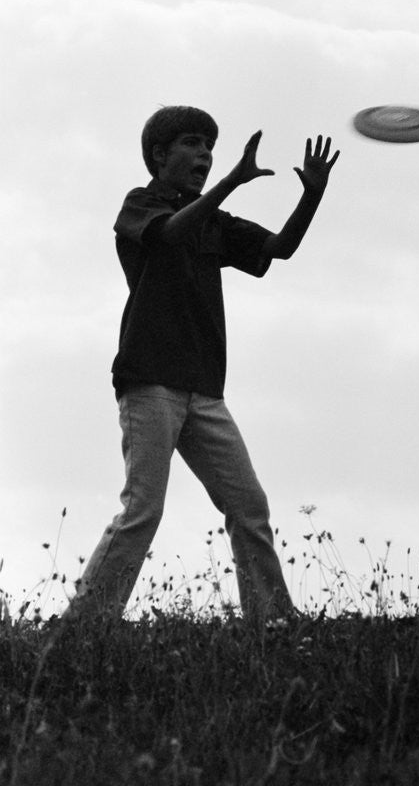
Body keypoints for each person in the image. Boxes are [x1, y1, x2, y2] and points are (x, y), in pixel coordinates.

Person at [70, 105, 339, 623]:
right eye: (192, 144)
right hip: (150, 381)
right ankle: (84, 627)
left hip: (204, 389)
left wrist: (312, 195)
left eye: (209, 146)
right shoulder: (140, 204)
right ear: (159, 156)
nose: (205, 155)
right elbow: (168, 234)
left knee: (248, 507)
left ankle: (274, 623)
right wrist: (233, 182)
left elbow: (278, 249)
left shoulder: (214, 221)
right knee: (143, 510)